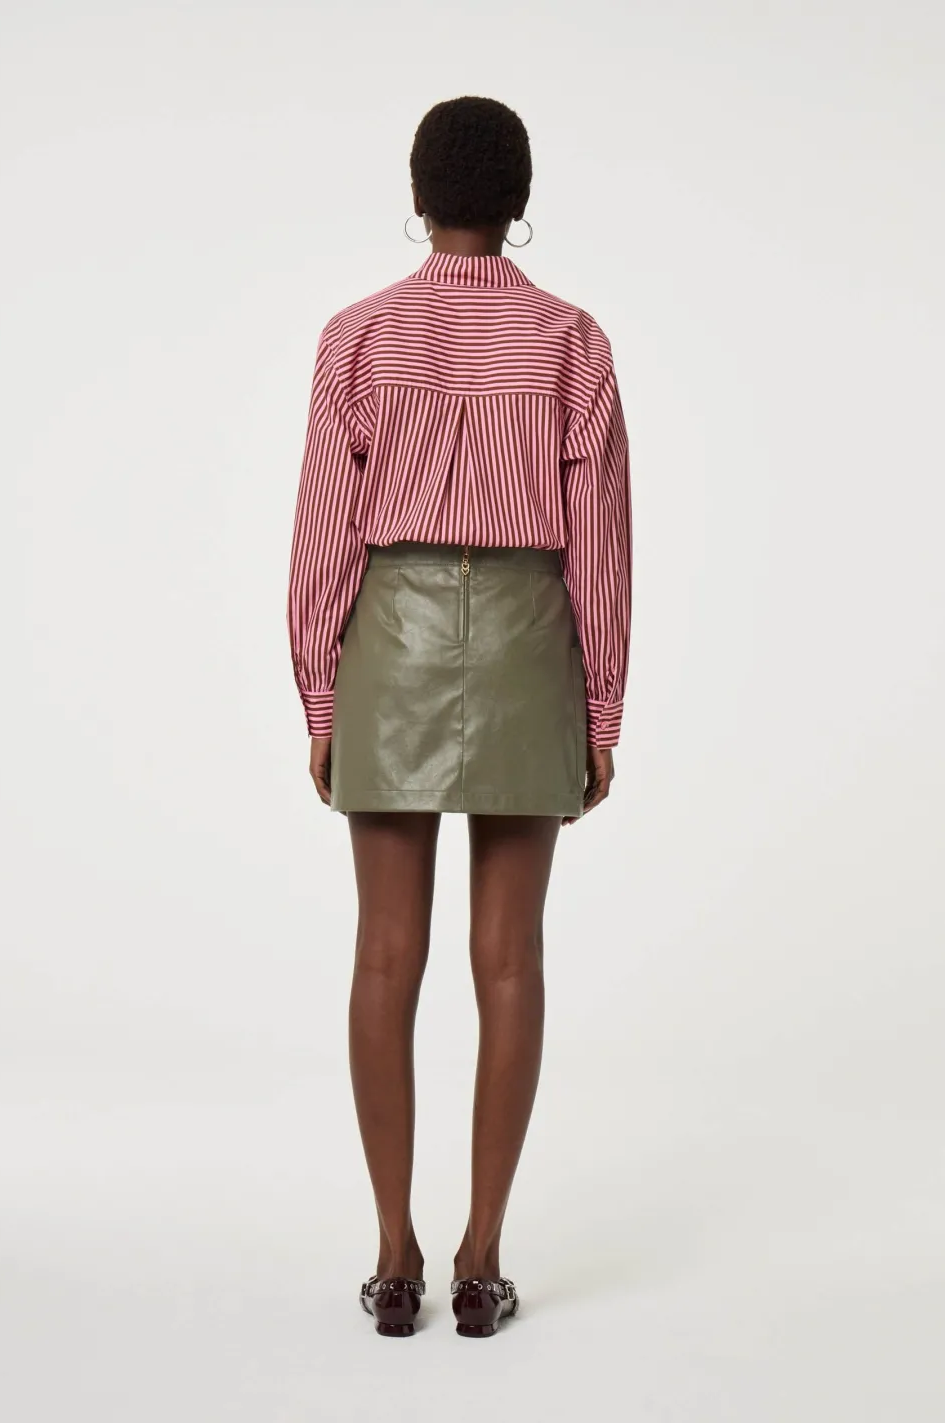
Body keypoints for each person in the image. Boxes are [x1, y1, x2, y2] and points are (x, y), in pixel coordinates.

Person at [286, 95, 632, 1338]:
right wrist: (601, 704)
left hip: (393, 636)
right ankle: (482, 1259)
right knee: (511, 956)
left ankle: (394, 1256)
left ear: (419, 196)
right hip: (532, 638)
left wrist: (321, 690)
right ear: (518, 202)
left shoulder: (359, 336)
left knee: (385, 951)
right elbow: (601, 544)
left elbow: (324, 533)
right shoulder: (571, 342)